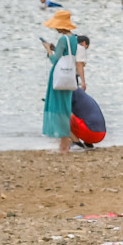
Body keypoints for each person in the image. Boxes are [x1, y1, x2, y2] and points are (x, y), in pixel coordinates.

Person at [41, 10, 84, 154]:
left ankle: (64, 147)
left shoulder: (62, 39)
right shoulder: (73, 39)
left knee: (57, 109)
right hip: (69, 76)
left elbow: (54, 60)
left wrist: (48, 50)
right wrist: (55, 49)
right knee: (64, 110)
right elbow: (67, 54)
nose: (55, 28)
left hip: (59, 76)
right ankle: (65, 145)